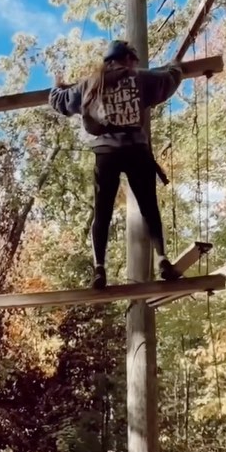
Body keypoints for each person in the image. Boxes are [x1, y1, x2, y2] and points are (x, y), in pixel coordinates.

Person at [49, 39, 183, 290]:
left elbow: (60, 101)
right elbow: (167, 81)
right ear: (127, 59)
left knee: (103, 212)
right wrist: (175, 66)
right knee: (149, 207)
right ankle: (163, 259)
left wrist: (57, 87)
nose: (135, 65)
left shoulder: (90, 85)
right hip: (136, 150)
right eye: (134, 60)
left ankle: (99, 268)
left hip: (106, 153)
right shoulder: (140, 79)